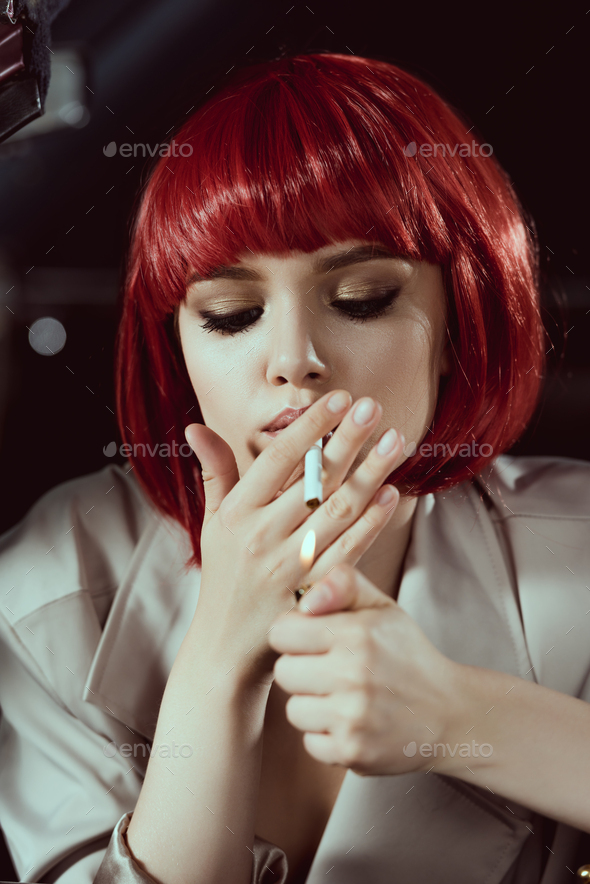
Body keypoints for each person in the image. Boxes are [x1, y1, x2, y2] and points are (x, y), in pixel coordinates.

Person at [1, 51, 589, 884]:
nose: (293, 361)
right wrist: (216, 665)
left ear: (460, 319)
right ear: (178, 349)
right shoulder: (45, 592)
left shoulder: (580, 553)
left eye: (361, 300)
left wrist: (462, 714)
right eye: (232, 314)